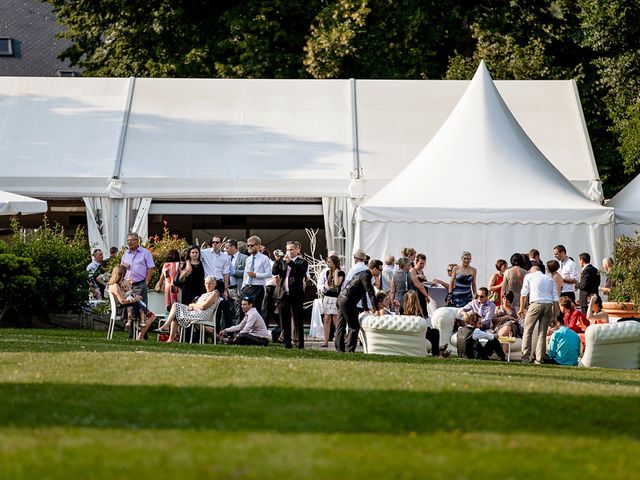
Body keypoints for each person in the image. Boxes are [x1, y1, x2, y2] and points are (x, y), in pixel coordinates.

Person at [335, 259, 382, 353]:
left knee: (341, 325)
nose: (381, 271)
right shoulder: (366, 276)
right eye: (380, 269)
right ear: (374, 269)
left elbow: (363, 293)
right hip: (348, 301)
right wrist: (376, 309)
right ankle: (350, 351)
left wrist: (365, 308)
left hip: (341, 298)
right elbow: (370, 293)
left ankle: (340, 350)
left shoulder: (363, 274)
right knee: (354, 326)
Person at [157, 276, 220, 343]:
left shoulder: (215, 293)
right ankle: (170, 339)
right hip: (196, 312)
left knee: (176, 305)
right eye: (206, 283)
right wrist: (191, 307)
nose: (208, 285)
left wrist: (192, 305)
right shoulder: (204, 294)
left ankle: (166, 326)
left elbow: (203, 307)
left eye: (210, 283)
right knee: (176, 314)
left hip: (203, 315)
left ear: (215, 284)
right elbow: (198, 306)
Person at [518, 266, 560, 364]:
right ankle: (539, 359)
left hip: (535, 304)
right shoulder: (549, 279)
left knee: (528, 330)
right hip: (548, 305)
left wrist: (521, 309)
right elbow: (556, 298)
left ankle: (525, 357)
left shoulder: (529, 276)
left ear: (532, 270)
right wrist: (555, 316)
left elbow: (523, 294)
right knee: (542, 333)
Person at [272, 240, 308, 349]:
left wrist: (290, 262)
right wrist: (277, 260)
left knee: (297, 321)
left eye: (291, 249)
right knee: (284, 321)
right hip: (283, 294)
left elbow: (301, 272)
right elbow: (274, 272)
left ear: (298, 250)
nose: (289, 251)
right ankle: (287, 343)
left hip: (295, 295)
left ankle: (299, 343)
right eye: (287, 249)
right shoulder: (282, 261)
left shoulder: (302, 262)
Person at [108, 264, 154, 340]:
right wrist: (136, 299)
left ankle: (139, 334)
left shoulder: (113, 285)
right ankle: (141, 336)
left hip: (126, 308)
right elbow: (122, 301)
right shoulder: (115, 286)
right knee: (151, 316)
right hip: (124, 310)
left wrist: (135, 297)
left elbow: (125, 297)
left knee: (147, 313)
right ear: (121, 275)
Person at [200, 235, 232, 328]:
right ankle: (209, 331)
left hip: (219, 283)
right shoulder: (204, 252)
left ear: (221, 244)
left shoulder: (225, 256)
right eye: (213, 242)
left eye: (217, 242)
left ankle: (221, 331)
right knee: (208, 307)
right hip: (208, 284)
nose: (214, 244)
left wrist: (226, 289)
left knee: (220, 307)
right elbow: (192, 254)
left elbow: (226, 273)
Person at [240, 235, 273, 318]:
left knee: (255, 312)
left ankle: (255, 330)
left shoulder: (264, 258)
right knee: (243, 311)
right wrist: (243, 287)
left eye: (252, 245)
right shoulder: (248, 259)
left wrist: (256, 275)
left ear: (258, 246)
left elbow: (269, 274)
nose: (249, 247)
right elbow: (245, 274)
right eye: (248, 245)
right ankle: (244, 330)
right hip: (247, 287)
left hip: (257, 287)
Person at [402, 290, 442, 357]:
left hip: (409, 331)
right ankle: (436, 354)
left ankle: (439, 349)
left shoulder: (402, 310)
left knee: (431, 331)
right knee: (435, 332)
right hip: (418, 332)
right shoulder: (418, 312)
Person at [121, 232, 155, 305]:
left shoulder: (145, 253)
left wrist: (146, 282)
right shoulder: (125, 254)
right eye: (128, 240)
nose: (129, 242)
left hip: (140, 284)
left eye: (132, 240)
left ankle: (143, 316)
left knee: (141, 306)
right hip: (127, 285)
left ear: (137, 241)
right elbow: (121, 269)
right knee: (129, 306)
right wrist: (124, 266)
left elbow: (151, 268)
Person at [319, 255, 345, 348]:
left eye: (329, 262)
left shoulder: (341, 272)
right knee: (326, 319)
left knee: (335, 319)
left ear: (334, 263)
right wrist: (326, 287)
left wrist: (336, 273)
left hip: (335, 297)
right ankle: (325, 341)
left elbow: (337, 284)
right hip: (327, 297)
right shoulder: (327, 272)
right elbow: (327, 284)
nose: (328, 263)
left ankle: (339, 339)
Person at [225, 239, 247, 323]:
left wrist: (234, 272)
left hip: (238, 288)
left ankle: (238, 331)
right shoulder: (226, 258)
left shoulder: (244, 258)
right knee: (228, 311)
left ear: (233, 247)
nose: (225, 250)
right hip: (227, 288)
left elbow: (247, 272)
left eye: (227, 248)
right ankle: (229, 331)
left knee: (239, 310)